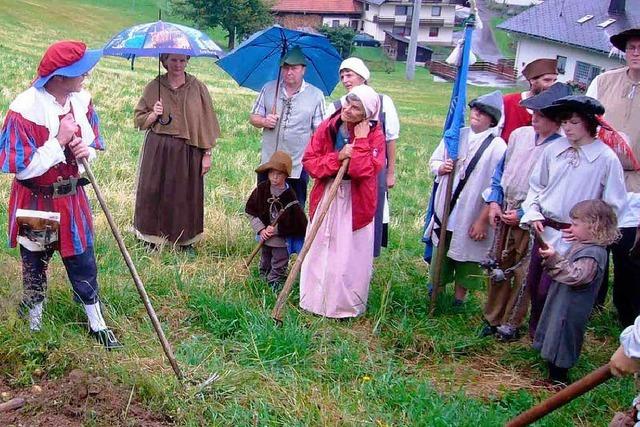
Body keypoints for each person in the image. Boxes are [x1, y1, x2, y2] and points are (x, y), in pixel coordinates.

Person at [0, 40, 122, 349]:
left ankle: (97, 324)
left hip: (71, 199)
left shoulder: (80, 101)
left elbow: (93, 143)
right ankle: (35, 326)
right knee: (36, 262)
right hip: (39, 200)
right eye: (80, 72)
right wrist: (59, 140)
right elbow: (23, 168)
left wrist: (85, 150)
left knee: (83, 261)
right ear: (59, 77)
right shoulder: (25, 109)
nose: (86, 77)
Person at [521, 95, 628, 338]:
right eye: (564, 122)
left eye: (574, 122)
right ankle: (535, 334)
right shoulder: (554, 149)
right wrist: (534, 212)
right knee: (536, 286)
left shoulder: (605, 158)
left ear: (590, 123)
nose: (567, 128)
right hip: (545, 231)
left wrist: (590, 233)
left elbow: (614, 204)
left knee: (557, 290)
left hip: (575, 239)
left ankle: (553, 340)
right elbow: (537, 186)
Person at [482, 83, 571, 340]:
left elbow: (552, 187)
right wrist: (495, 201)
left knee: (522, 272)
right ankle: (492, 317)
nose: (534, 119)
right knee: (498, 265)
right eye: (534, 113)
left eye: (541, 116)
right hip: (505, 209)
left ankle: (512, 321)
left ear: (555, 121)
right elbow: (501, 170)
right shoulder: (519, 135)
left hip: (531, 218)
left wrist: (524, 213)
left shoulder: (561, 148)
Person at [299, 85, 385, 318]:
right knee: (320, 246)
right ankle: (314, 300)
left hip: (355, 200)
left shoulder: (375, 135)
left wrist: (360, 142)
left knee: (347, 253)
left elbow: (363, 170)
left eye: (355, 107)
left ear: (366, 113)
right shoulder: (330, 126)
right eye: (347, 103)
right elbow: (310, 162)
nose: (347, 109)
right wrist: (338, 157)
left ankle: (343, 305)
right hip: (328, 191)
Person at [425, 91, 507, 305]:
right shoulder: (456, 136)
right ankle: (436, 292)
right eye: (475, 110)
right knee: (441, 250)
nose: (477, 114)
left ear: (492, 119)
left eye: (483, 112)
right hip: (447, 208)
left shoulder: (498, 146)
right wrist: (441, 167)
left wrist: (482, 219)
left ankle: (458, 300)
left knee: (467, 256)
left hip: (472, 211)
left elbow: (496, 186)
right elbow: (434, 161)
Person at [133, 53, 220, 252]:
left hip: (188, 151)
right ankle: (152, 239)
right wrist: (154, 113)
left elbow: (206, 122)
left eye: (182, 60)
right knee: (154, 191)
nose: (177, 65)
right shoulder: (154, 86)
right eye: (173, 60)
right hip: (158, 149)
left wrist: (207, 154)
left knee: (184, 194)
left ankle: (184, 240)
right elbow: (140, 121)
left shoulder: (197, 87)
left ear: (187, 61)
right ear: (164, 62)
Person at [586, 28, 640, 327]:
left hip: (636, 185)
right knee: (595, 242)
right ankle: (589, 301)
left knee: (628, 251)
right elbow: (586, 120)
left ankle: (628, 315)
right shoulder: (604, 82)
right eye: (632, 47)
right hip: (602, 175)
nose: (636, 52)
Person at [534, 199, 619, 388]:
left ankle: (559, 380)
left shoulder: (594, 253)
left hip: (571, 308)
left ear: (593, 226)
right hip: (562, 302)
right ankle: (552, 372)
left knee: (563, 338)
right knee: (555, 332)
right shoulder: (583, 244)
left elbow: (578, 276)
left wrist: (555, 259)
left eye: (575, 224)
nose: (571, 228)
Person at [326, 57, 400, 257]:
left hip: (374, 168)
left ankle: (364, 257)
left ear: (363, 76)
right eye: (342, 76)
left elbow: (391, 139)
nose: (345, 80)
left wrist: (390, 172)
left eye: (349, 75)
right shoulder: (337, 106)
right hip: (344, 173)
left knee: (370, 210)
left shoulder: (383, 102)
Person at [249, 46, 325, 207]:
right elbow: (253, 117)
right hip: (269, 162)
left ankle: (292, 233)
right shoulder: (269, 88)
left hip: (297, 164)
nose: (289, 72)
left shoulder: (316, 95)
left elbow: (320, 133)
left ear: (303, 70)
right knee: (264, 206)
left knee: (294, 207)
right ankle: (263, 233)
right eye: (285, 67)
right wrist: (264, 121)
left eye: (294, 68)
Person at [244, 151, 307, 291]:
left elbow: (298, 222)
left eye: (279, 174)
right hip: (264, 236)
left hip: (280, 239)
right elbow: (250, 211)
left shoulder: (290, 196)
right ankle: (263, 276)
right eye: (271, 172)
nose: (274, 177)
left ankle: (274, 280)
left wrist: (277, 230)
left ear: (286, 175)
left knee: (279, 260)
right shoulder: (262, 190)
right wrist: (261, 229)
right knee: (265, 257)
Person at [500, 58, 558, 142]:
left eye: (554, 81)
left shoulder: (555, 108)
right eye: (547, 80)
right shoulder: (508, 101)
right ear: (532, 80)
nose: (551, 85)